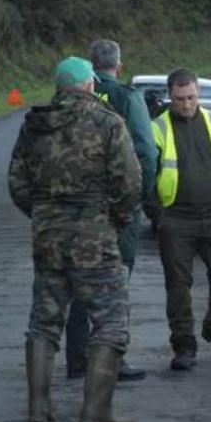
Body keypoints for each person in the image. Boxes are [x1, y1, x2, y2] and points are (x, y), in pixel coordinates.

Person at [8, 56, 140, 422]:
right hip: (95, 235)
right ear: (89, 86)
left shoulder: (33, 125)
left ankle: (38, 408)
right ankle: (96, 411)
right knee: (111, 321)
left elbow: (16, 184)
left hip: (48, 237)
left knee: (44, 321)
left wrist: (43, 215)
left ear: (59, 86)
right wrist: (117, 217)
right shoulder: (107, 122)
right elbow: (129, 182)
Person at [63, 39, 157, 383]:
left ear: (91, 67)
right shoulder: (127, 98)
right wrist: (142, 198)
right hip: (118, 207)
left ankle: (77, 359)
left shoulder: (68, 101)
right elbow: (146, 152)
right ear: (118, 66)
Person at [151, 68, 211, 371]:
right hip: (177, 218)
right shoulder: (158, 129)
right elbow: (147, 177)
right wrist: (158, 216)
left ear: (198, 95)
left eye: (191, 97)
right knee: (178, 284)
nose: (186, 104)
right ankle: (184, 346)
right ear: (170, 96)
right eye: (179, 99)